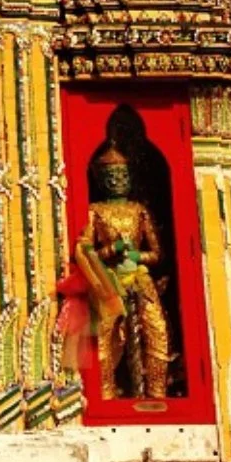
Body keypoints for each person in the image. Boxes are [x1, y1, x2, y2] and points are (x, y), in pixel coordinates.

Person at [73, 144, 170, 400]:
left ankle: (157, 393)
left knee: (157, 330)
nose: (118, 181)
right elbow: (85, 250)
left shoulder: (139, 210)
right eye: (111, 176)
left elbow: (157, 253)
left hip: (139, 278)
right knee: (104, 337)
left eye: (123, 175)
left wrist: (137, 255)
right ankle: (106, 395)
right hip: (109, 279)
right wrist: (111, 250)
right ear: (100, 180)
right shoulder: (95, 211)